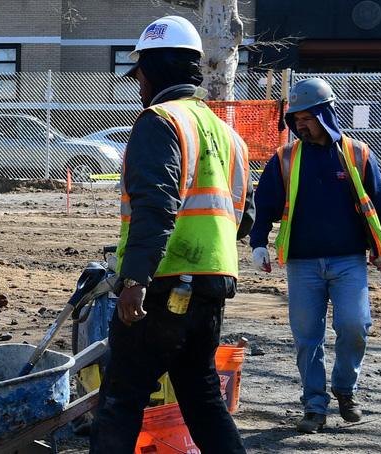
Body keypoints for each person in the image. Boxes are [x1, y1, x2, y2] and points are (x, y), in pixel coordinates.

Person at [90, 15, 252, 454]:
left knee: (121, 399)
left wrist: (135, 280)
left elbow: (155, 206)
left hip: (162, 284)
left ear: (155, 68)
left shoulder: (159, 121)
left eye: (139, 71)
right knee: (200, 395)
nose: (136, 81)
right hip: (214, 284)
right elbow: (246, 216)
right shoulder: (227, 134)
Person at [247, 77, 381, 434]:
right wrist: (258, 243)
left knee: (354, 326)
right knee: (307, 338)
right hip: (302, 264)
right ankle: (314, 405)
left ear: (325, 113)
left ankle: (345, 391)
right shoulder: (284, 159)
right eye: (295, 118)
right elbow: (263, 205)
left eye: (306, 117)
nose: (300, 124)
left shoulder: (357, 154)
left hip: (349, 262)